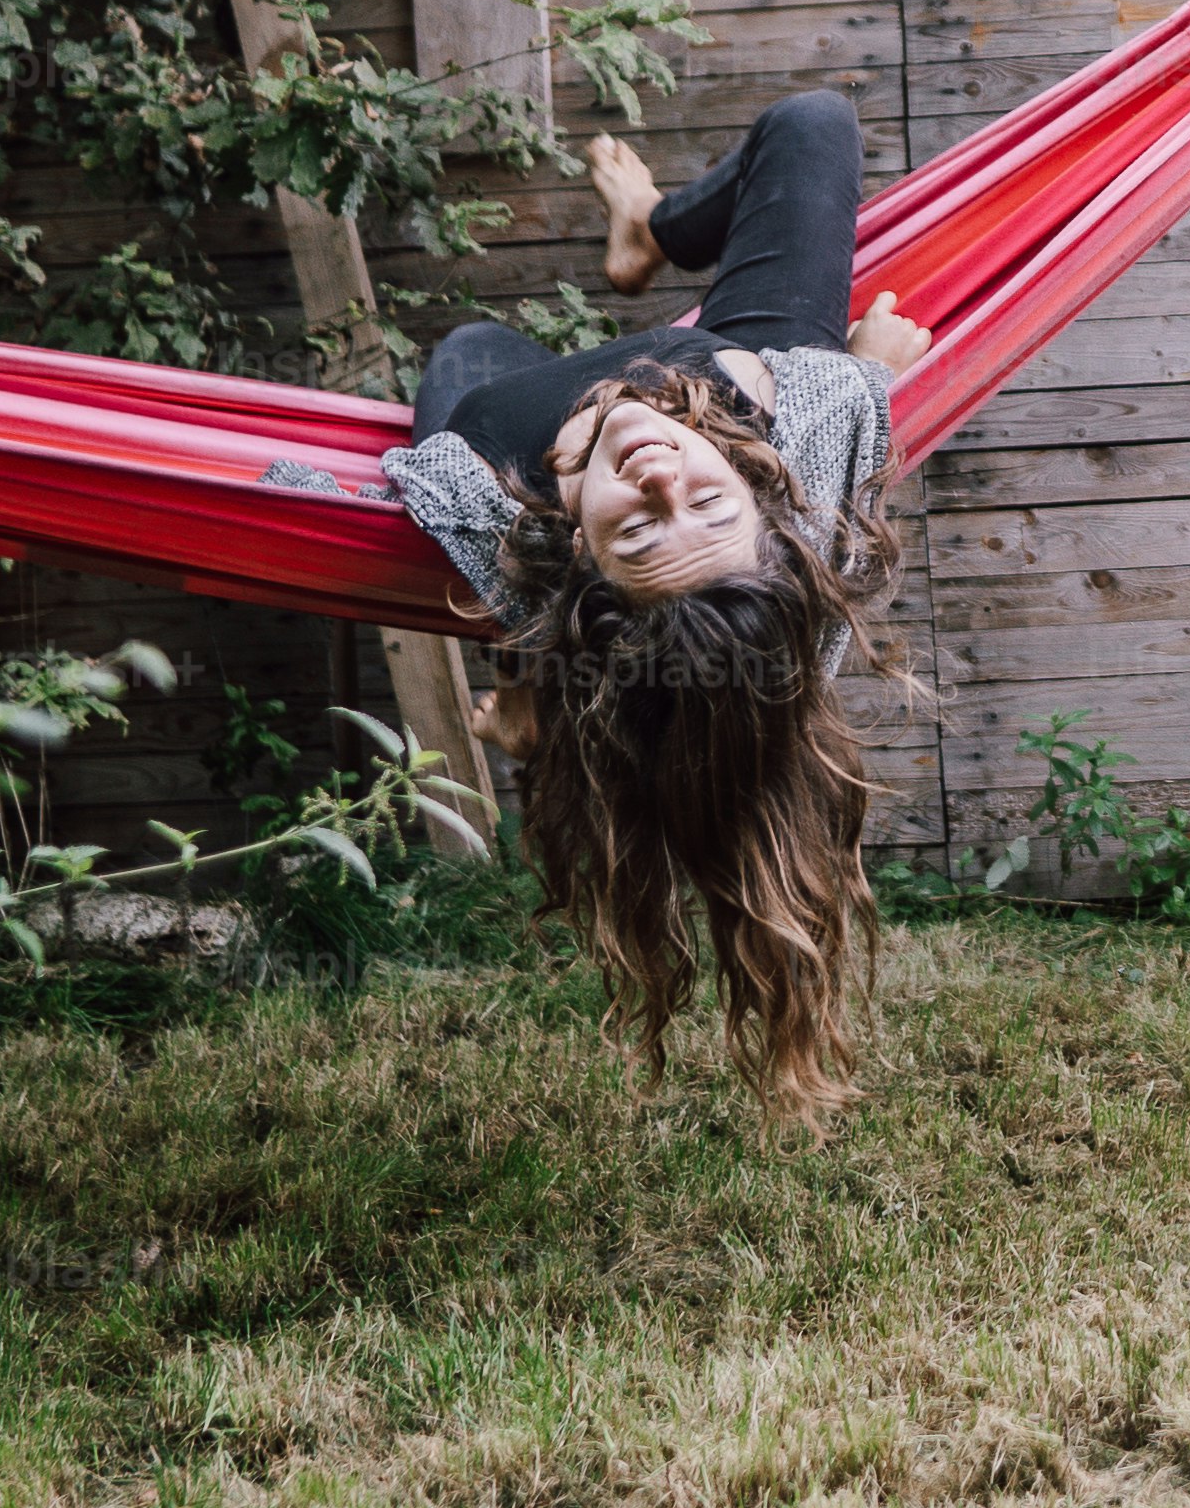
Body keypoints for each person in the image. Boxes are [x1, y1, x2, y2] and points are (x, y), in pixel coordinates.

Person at [386, 90, 930, 1100]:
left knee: (464, 343)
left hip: (512, 407)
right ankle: (648, 230)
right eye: (706, 511)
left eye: (635, 526)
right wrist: (871, 377)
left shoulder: (500, 505)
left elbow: (443, 512)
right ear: (764, 506)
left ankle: (539, 713)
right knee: (813, 125)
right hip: (727, 373)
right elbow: (832, 471)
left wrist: (568, 466)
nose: (657, 473)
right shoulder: (790, 524)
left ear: (579, 552)